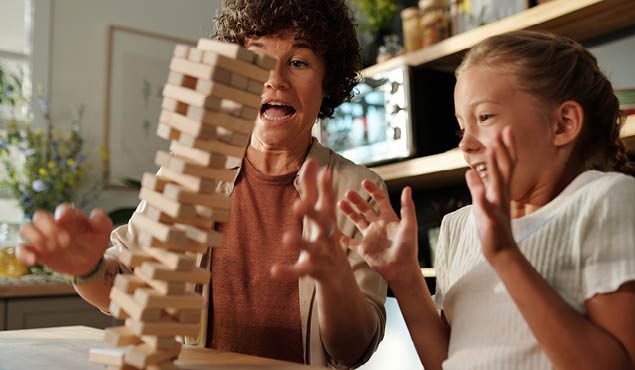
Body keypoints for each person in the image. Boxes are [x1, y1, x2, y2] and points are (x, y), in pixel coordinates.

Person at [16, 0, 388, 367]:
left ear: (328, 81)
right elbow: (129, 284)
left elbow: (352, 349)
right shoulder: (188, 171)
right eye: (256, 59)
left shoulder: (359, 190)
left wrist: (333, 277)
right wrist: (87, 268)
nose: (274, 78)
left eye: (298, 62)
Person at [319, 31, 635, 369]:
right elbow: (447, 364)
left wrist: (505, 255)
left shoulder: (605, 199)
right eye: (461, 127)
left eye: (484, 117)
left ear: (563, 124)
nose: (465, 144)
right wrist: (405, 276)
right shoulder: (459, 226)